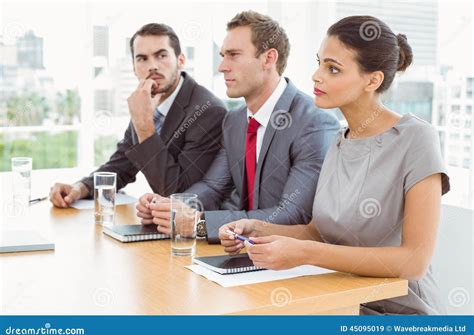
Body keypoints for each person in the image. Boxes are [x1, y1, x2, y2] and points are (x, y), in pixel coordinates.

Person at [219, 15, 450, 315]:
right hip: (340, 302)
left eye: (333, 69)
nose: (316, 76)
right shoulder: (340, 140)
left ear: (373, 80)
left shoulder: (416, 139)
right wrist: (257, 229)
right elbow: (319, 232)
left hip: (401, 313)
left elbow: (414, 261)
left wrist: (306, 254)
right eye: (319, 63)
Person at [137, 11, 340, 243]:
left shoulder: (314, 122)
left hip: (289, 264)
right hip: (238, 252)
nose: (222, 66)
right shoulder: (234, 120)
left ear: (268, 59)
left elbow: (293, 216)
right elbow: (213, 187)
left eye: (233, 55)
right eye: (223, 55)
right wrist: (170, 207)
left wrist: (199, 225)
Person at [49, 23, 227, 207]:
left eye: (161, 55)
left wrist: (144, 125)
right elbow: (121, 166)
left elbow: (181, 196)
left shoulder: (207, 111)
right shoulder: (147, 103)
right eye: (142, 59)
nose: (152, 66)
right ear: (134, 68)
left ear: (180, 60)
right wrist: (80, 188)